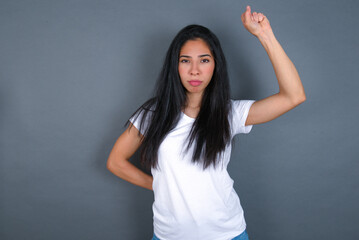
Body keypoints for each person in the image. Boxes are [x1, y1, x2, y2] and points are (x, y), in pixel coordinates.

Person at [107, 5, 306, 240]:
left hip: (227, 233)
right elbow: (116, 162)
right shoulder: (153, 114)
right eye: (185, 61)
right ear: (175, 66)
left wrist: (265, 35)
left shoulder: (229, 113)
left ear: (215, 65)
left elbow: (294, 96)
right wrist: (160, 185)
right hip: (168, 236)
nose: (194, 70)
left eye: (204, 60)